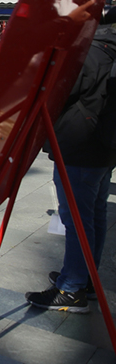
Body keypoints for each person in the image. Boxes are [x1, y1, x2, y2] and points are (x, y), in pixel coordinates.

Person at [25, 24, 116, 313]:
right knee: (94, 216)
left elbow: (56, 90)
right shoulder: (109, 50)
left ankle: (72, 287)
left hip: (80, 148)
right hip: (103, 149)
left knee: (77, 220)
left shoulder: (90, 54)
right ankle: (84, 277)